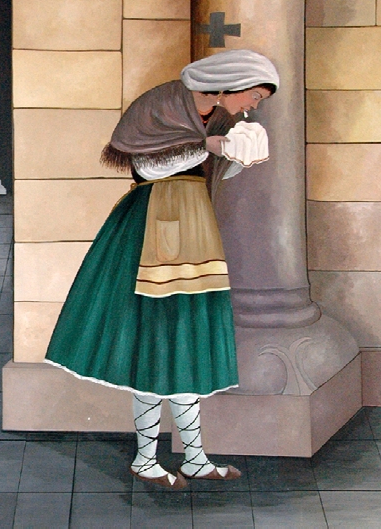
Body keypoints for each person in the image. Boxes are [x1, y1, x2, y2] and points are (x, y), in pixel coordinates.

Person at [45, 49, 279, 489]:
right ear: (232, 82)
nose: (253, 105)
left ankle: (194, 457)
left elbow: (209, 169)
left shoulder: (219, 119)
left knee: (186, 339)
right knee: (153, 341)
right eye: (254, 95)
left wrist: (237, 155)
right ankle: (146, 458)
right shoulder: (164, 104)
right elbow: (148, 165)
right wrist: (210, 146)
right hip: (150, 227)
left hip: (193, 228)